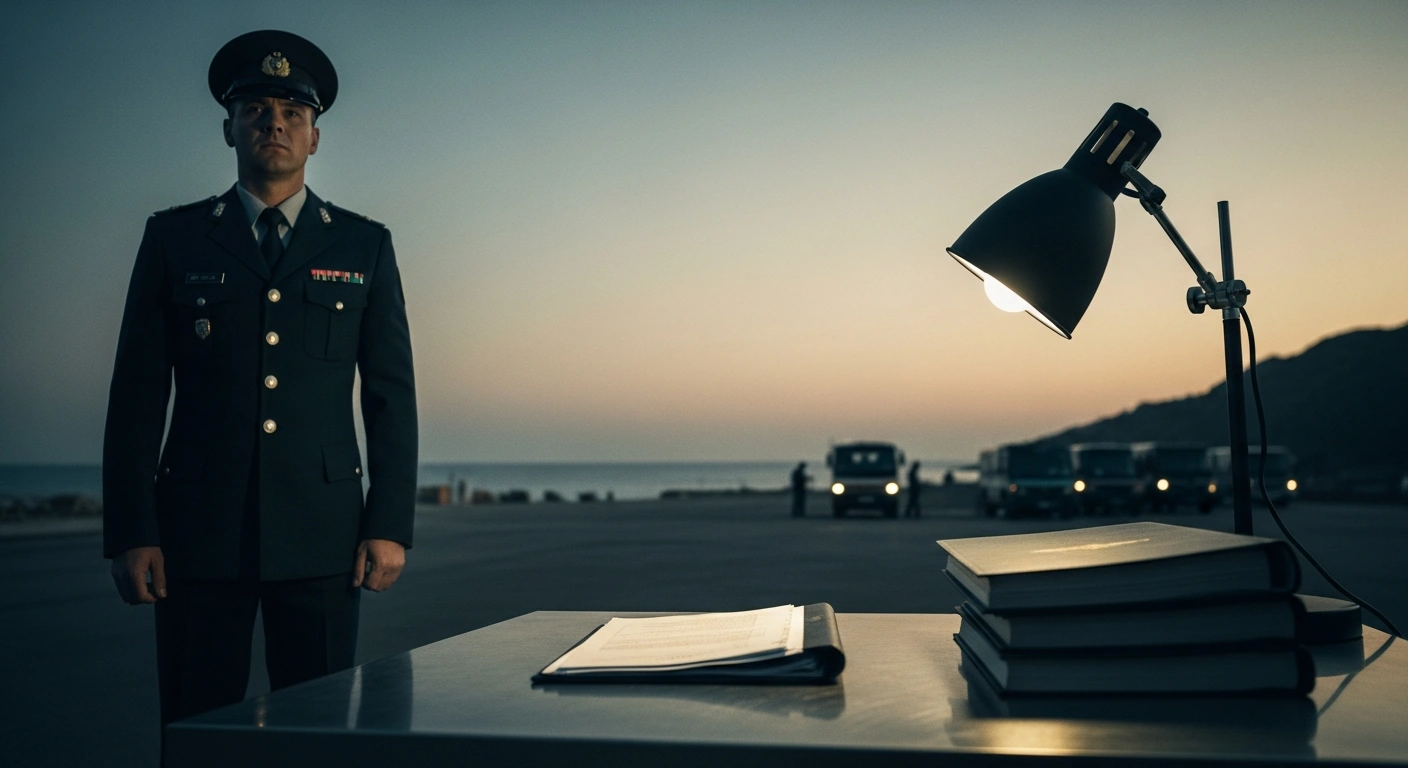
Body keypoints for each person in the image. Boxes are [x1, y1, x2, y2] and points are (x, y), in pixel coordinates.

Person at [103, 30, 418, 727]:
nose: (273, 121)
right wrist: (133, 530)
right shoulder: (175, 238)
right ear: (229, 128)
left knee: (322, 729)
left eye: (292, 113)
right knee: (195, 727)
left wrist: (390, 522)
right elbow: (137, 392)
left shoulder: (363, 244)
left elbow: (391, 393)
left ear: (314, 138)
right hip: (197, 534)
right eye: (255, 109)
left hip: (325, 536)